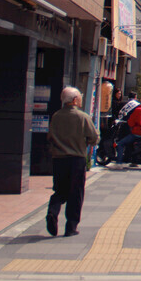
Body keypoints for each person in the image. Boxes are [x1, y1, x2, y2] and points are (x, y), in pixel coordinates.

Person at [46, 86, 99, 237]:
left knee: (60, 191)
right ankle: (71, 227)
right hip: (76, 160)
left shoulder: (56, 116)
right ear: (75, 100)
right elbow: (94, 138)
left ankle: (52, 211)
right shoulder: (82, 117)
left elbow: (50, 137)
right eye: (80, 97)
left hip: (58, 159)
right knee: (75, 193)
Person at [113, 96, 141, 167]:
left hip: (136, 133)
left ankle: (119, 163)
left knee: (120, 144)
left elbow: (130, 122)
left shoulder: (137, 110)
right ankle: (134, 162)